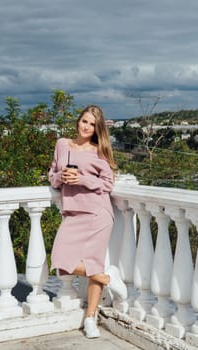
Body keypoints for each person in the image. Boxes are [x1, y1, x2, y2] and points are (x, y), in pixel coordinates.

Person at [48, 105, 127, 339]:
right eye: (84, 121)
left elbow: (107, 184)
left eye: (92, 124)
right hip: (72, 214)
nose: (86, 126)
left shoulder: (99, 152)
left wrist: (83, 179)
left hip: (97, 214)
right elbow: (52, 175)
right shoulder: (62, 144)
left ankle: (90, 318)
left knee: (92, 261)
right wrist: (60, 178)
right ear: (78, 122)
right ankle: (108, 278)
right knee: (61, 262)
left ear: (97, 129)